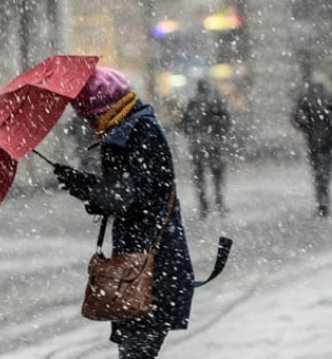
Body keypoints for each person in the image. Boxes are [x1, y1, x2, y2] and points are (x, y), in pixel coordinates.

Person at [53, 67, 194, 358]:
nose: (89, 123)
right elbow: (124, 194)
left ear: (103, 107)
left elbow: (126, 197)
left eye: (90, 114)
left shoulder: (139, 131)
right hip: (138, 266)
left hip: (151, 267)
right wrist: (85, 185)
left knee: (136, 352)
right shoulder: (126, 129)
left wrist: (85, 184)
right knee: (135, 352)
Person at [293, 79, 332, 217]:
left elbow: (298, 118)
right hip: (327, 143)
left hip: (314, 144)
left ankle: (322, 199)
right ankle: (323, 199)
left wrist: (308, 128)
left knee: (318, 173)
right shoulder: (330, 100)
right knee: (324, 173)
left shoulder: (307, 101)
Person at [180, 79, 231, 218]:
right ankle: (219, 203)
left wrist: (192, 134)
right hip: (214, 144)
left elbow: (184, 123)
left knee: (199, 176)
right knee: (217, 175)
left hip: (197, 144)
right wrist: (219, 133)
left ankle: (203, 206)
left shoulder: (193, 103)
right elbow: (226, 121)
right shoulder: (215, 102)